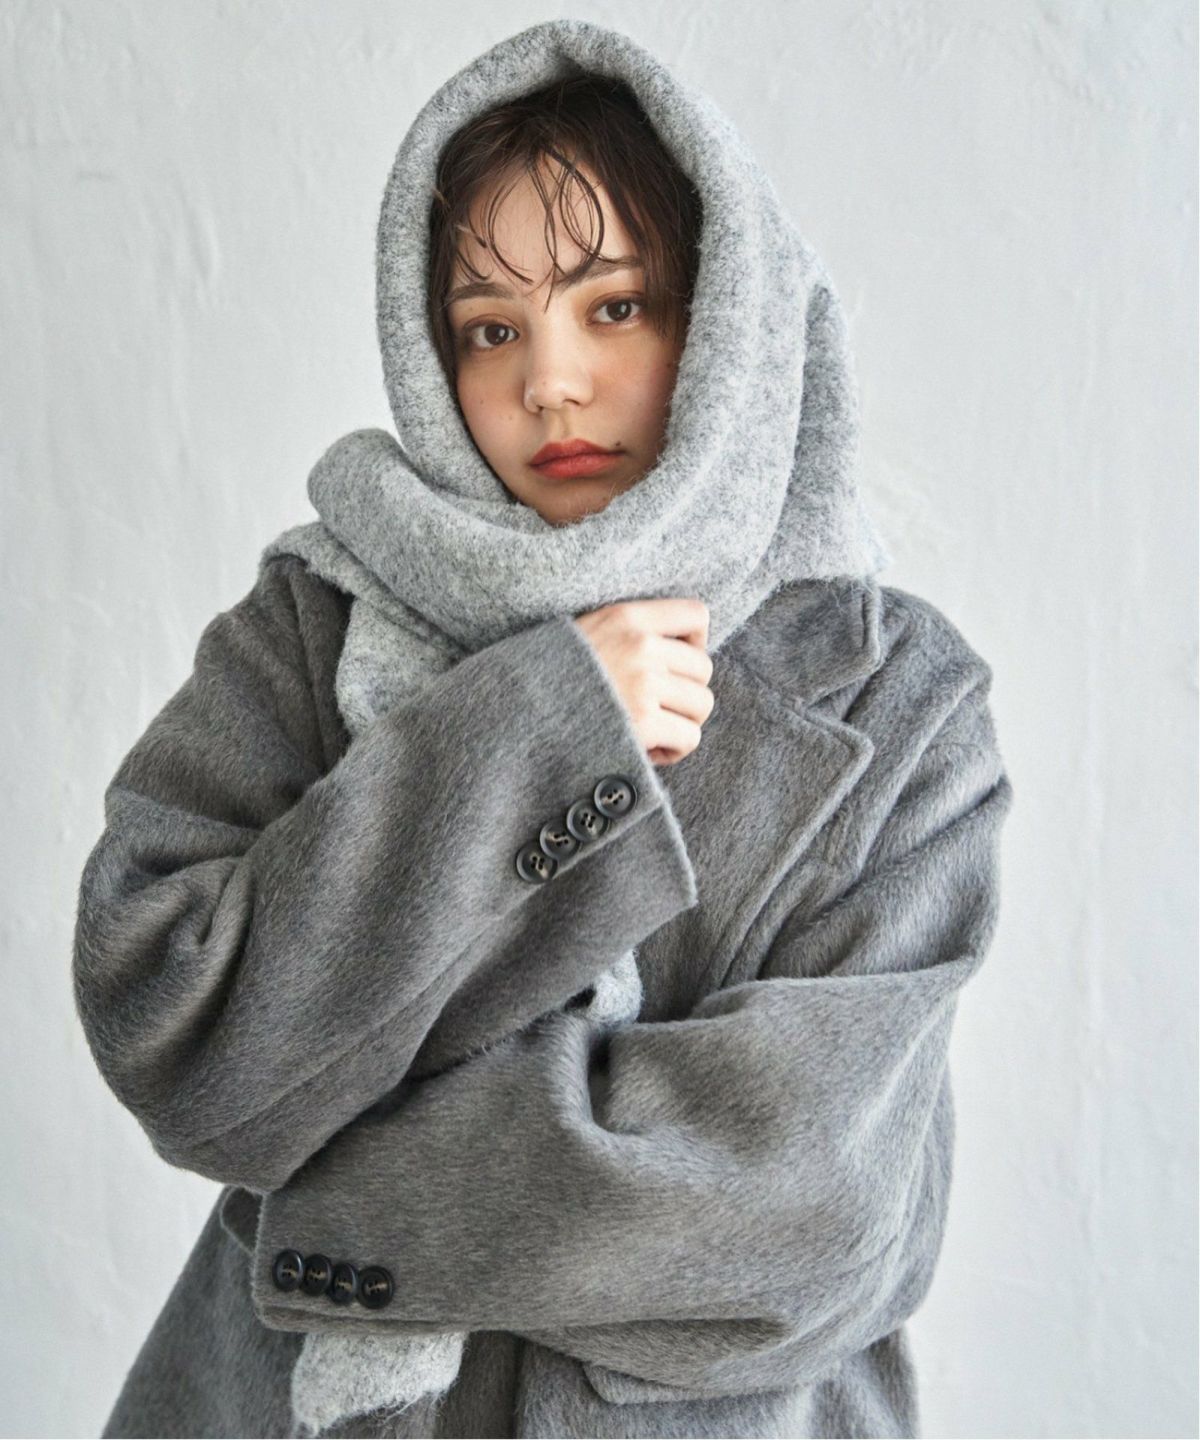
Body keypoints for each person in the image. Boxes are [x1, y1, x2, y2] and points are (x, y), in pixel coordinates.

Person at [73, 19, 1012, 1440]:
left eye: (615, 307)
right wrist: (537, 734)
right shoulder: (317, 621)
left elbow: (809, 1213)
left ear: (727, 318)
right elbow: (174, 1027)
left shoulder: (899, 699)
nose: (550, 382)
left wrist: (325, 1175)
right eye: (490, 329)